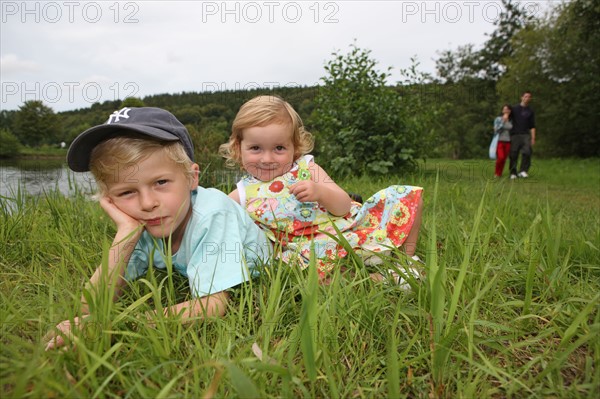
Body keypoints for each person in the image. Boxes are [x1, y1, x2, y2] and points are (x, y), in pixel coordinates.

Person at [45, 107, 270, 350]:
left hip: (266, 265)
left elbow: (214, 305)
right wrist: (126, 234)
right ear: (109, 198)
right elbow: (89, 306)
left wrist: (115, 326)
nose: (147, 203)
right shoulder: (143, 224)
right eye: (126, 192)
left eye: (161, 182)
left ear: (192, 178)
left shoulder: (213, 213)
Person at [219, 95, 424, 285]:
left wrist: (320, 192)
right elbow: (218, 218)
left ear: (295, 147)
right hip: (305, 248)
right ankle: (376, 280)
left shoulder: (307, 168)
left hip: (347, 227)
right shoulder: (243, 193)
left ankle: (406, 259)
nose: (267, 158)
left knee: (403, 196)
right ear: (239, 147)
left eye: (279, 148)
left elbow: (343, 206)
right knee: (300, 276)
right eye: (256, 148)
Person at [509, 91, 536, 179]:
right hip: (515, 134)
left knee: (527, 152)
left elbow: (532, 126)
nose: (527, 98)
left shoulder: (530, 111)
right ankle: (513, 172)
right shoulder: (514, 109)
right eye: (525, 96)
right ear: (522, 97)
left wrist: (533, 137)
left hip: (526, 135)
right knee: (513, 154)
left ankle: (523, 171)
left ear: (530, 99)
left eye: (529, 97)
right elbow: (506, 118)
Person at [493, 104, 513, 177]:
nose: (506, 111)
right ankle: (496, 173)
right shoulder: (498, 119)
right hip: (499, 141)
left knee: (504, 159)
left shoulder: (511, 120)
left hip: (508, 142)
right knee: (500, 157)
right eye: (504, 109)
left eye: (508, 109)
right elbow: (495, 130)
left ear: (510, 111)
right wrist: (503, 121)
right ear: (502, 111)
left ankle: (499, 174)